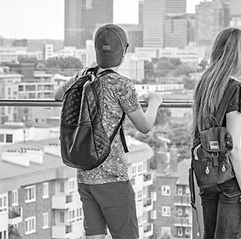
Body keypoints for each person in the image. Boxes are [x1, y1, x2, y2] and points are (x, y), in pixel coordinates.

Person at [55, 24, 162, 239]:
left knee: (94, 235)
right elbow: (144, 126)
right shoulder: (121, 84)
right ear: (124, 52)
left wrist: (88, 71)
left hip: (85, 172)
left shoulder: (83, 77)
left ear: (95, 50)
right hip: (113, 174)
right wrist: (154, 103)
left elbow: (59, 94)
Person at [192, 27, 241, 239]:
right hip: (232, 178)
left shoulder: (205, 84)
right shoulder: (237, 89)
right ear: (239, 54)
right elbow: (235, 148)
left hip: (208, 174)